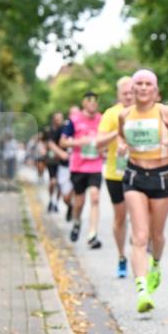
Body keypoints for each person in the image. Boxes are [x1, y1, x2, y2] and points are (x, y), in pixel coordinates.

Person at [117, 69, 168, 313]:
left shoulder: (166, 112)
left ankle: (156, 264)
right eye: (138, 83)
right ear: (132, 88)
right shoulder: (124, 115)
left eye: (147, 84)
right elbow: (121, 138)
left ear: (155, 89)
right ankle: (142, 291)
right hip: (134, 175)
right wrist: (121, 147)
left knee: (156, 235)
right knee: (139, 236)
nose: (142, 88)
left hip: (161, 177)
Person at [97, 77, 136, 277]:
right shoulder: (111, 114)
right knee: (121, 218)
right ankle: (122, 256)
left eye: (131, 91)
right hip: (116, 173)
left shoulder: (144, 112)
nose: (129, 96)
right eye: (125, 93)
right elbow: (98, 144)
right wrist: (117, 133)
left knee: (139, 216)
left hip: (139, 171)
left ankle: (138, 248)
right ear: (118, 95)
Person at [60, 92, 104, 248]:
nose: (93, 103)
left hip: (95, 165)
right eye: (89, 101)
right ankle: (77, 222)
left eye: (95, 101)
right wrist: (79, 142)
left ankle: (92, 234)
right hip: (78, 166)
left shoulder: (102, 119)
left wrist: (103, 148)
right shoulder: (74, 120)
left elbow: (107, 138)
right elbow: (63, 142)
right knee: (79, 202)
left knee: (95, 197)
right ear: (84, 102)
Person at [45, 112, 70, 213]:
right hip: (52, 160)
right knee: (53, 182)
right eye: (57, 119)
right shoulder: (50, 131)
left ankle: (56, 203)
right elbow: (48, 144)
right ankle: (51, 199)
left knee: (60, 183)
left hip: (62, 161)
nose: (59, 121)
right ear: (54, 120)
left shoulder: (65, 129)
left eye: (61, 118)